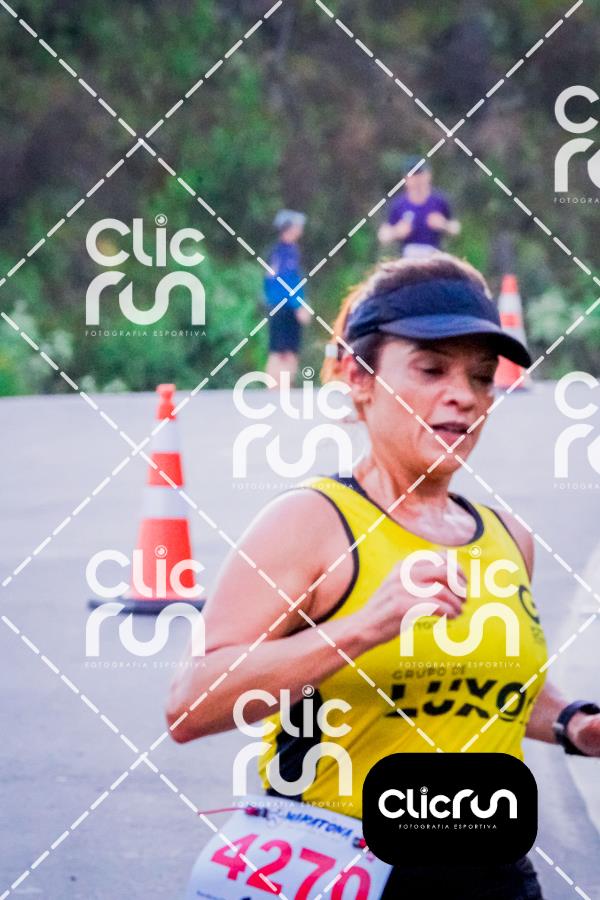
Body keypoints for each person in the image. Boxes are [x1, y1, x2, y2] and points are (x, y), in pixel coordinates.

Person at [167, 254, 600, 899]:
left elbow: (484, 685)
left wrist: (572, 722)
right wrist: (365, 627)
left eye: (481, 377)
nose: (464, 396)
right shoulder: (311, 523)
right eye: (431, 369)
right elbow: (190, 705)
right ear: (359, 377)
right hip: (343, 868)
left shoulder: (508, 538)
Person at [263, 208, 311, 385]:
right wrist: (298, 305)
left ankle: (279, 388)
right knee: (284, 352)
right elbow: (285, 282)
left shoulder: (280, 251)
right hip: (285, 307)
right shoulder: (285, 253)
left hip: (279, 305)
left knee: (281, 350)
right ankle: (279, 389)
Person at [378, 158, 461, 258]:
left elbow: (456, 228)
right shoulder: (398, 204)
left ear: (428, 176)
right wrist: (396, 231)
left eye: (420, 175)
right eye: (413, 176)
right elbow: (383, 235)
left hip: (434, 255)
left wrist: (443, 225)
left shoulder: (440, 201)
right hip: (406, 257)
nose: (417, 180)